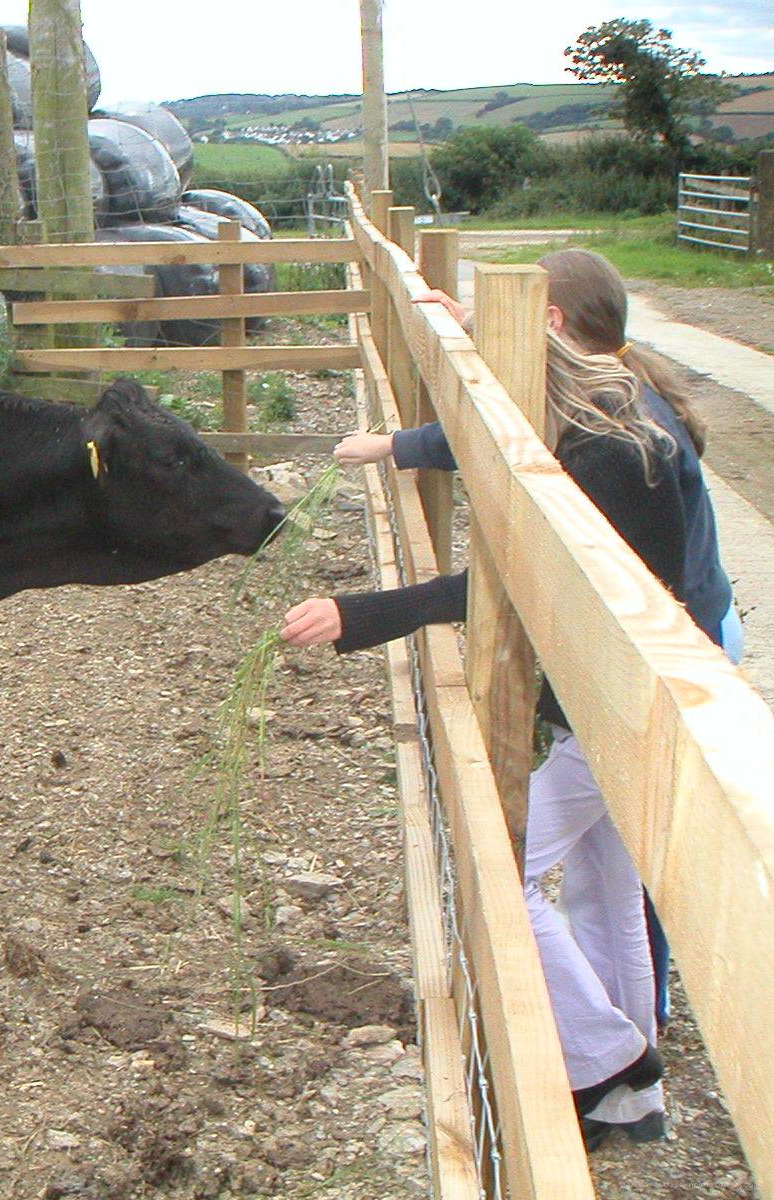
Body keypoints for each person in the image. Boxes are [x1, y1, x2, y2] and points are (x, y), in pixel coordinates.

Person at [282, 249, 736, 1150]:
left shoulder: (609, 452)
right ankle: (631, 1088)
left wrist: (361, 613)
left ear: (543, 336)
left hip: (621, 704)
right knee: (607, 882)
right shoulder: (593, 411)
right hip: (617, 702)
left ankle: (610, 1063)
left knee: (504, 874)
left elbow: (519, 587)